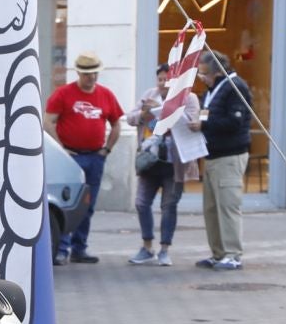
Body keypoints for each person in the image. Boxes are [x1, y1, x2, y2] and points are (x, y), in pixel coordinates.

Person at [43, 52, 122, 265]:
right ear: (78, 72)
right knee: (69, 202)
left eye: (95, 74)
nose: (92, 78)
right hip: (72, 155)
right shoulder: (63, 94)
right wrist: (61, 149)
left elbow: (116, 123)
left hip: (95, 156)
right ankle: (62, 248)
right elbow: (48, 121)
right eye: (87, 74)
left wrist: (107, 150)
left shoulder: (106, 95)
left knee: (88, 205)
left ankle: (80, 248)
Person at [124, 72, 203, 267]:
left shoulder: (189, 98)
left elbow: (189, 122)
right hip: (150, 161)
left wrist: (160, 110)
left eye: (166, 80)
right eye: (159, 79)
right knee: (141, 203)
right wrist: (144, 113)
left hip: (174, 163)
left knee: (169, 206)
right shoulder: (149, 95)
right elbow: (130, 119)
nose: (162, 84)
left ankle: (165, 249)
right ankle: (147, 246)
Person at [198, 51, 254, 271]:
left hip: (229, 155)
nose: (202, 78)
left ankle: (232, 254)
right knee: (211, 208)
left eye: (204, 73)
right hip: (212, 154)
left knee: (228, 206)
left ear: (218, 72)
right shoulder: (213, 90)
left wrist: (204, 124)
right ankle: (218, 252)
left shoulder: (235, 87)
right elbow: (209, 114)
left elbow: (235, 122)